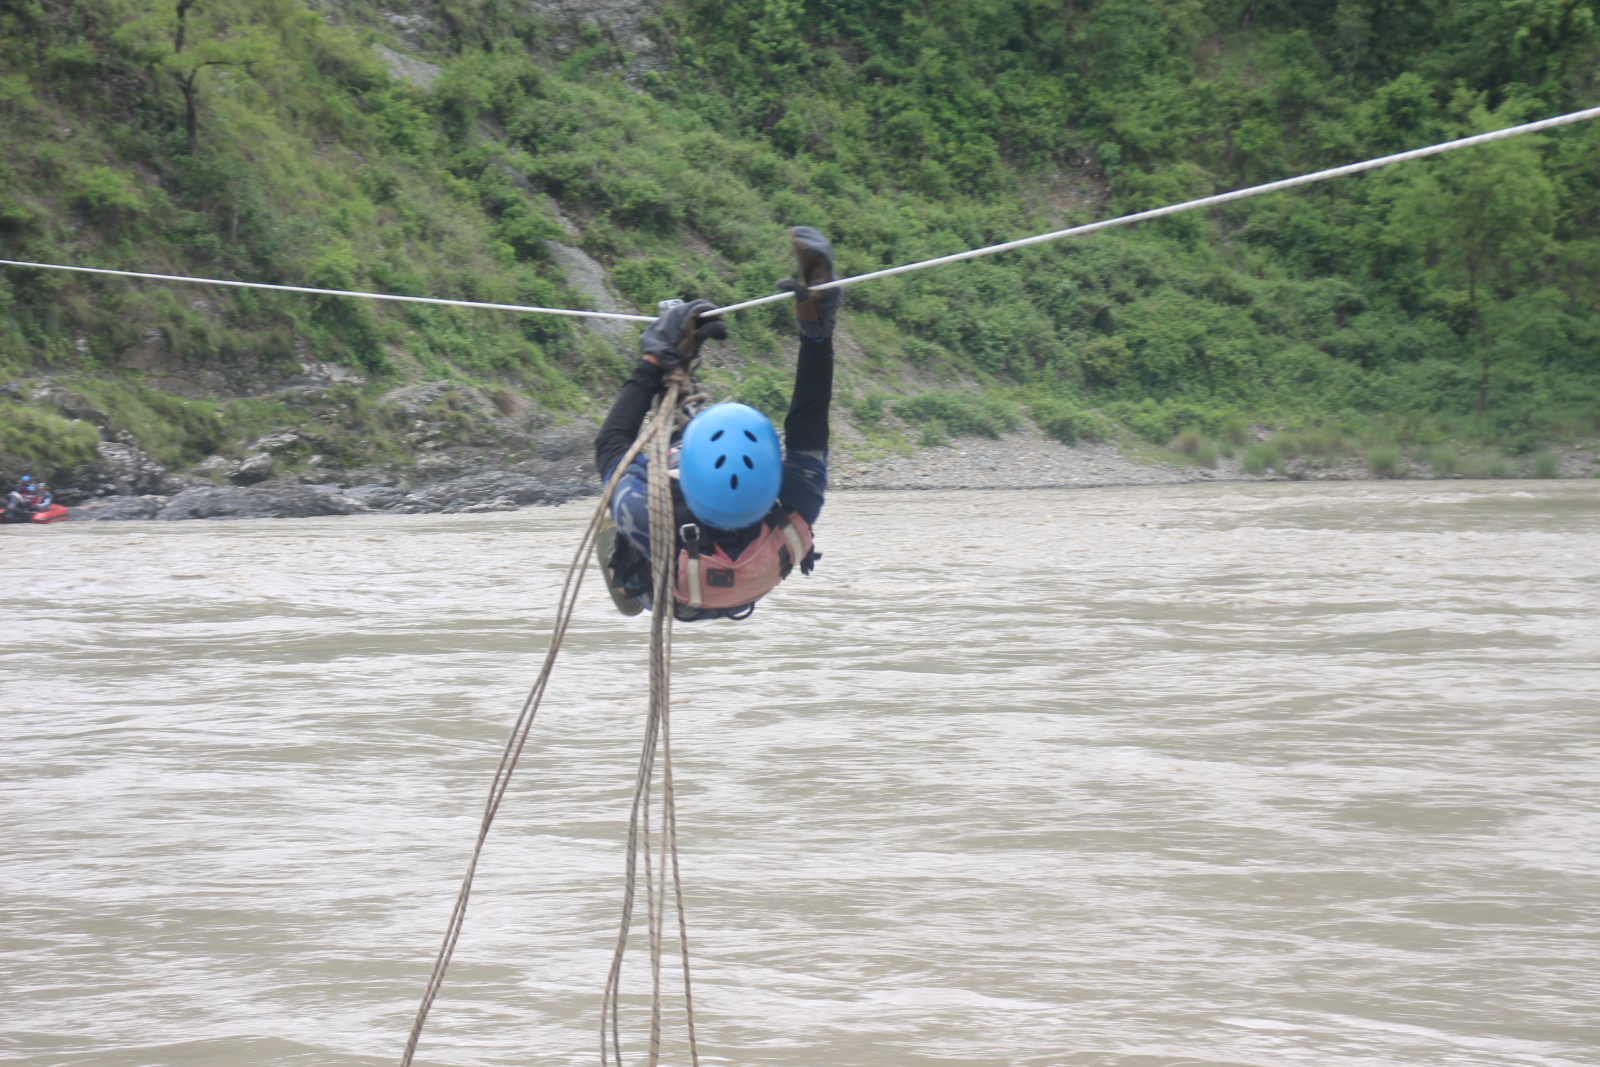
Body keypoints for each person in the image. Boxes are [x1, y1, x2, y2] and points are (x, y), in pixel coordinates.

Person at [594, 226, 839, 621]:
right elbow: (809, 417)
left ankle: (626, 594)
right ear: (772, 473)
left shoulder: (644, 515)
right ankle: (679, 430)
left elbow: (611, 446)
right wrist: (817, 333)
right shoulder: (798, 502)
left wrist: (656, 359)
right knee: (653, 468)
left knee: (616, 520)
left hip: (666, 597)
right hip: (741, 587)